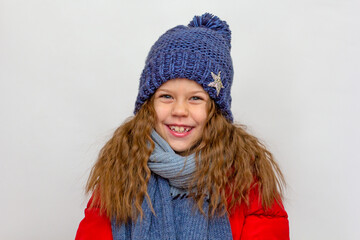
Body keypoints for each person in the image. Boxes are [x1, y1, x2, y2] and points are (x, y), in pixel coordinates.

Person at [75, 13, 289, 240]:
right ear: (149, 106)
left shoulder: (247, 180)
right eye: (166, 96)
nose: (179, 110)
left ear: (215, 111)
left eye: (195, 98)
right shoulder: (121, 171)